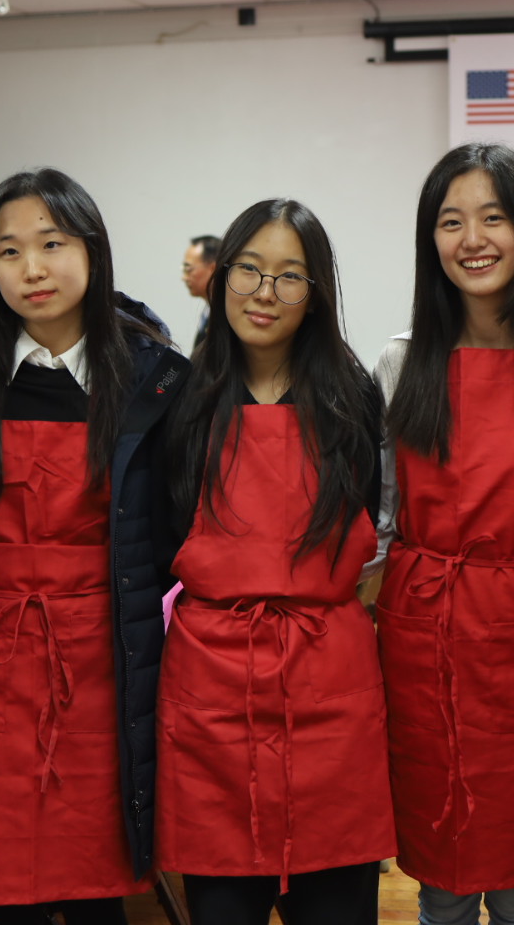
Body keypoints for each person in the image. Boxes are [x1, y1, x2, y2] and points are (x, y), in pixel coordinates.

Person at [0, 169, 187, 925]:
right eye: (8, 251)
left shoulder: (152, 378)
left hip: (102, 661)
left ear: (93, 252)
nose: (31, 269)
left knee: (96, 887)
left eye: (51, 243)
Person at [372, 142, 514, 925]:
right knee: (443, 868)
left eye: (493, 218)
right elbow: (385, 517)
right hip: (421, 628)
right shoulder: (402, 363)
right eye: (451, 221)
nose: (473, 239)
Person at [161, 198, 393, 925]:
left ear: (317, 292)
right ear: (221, 277)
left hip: (330, 681)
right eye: (250, 271)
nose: (265, 293)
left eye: (289, 276)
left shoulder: (353, 398)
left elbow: (377, 532)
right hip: (214, 686)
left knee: (338, 908)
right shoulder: (181, 399)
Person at [184, 235, 221, 353]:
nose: (184, 277)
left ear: (213, 269)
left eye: (189, 269)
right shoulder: (207, 312)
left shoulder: (227, 316)